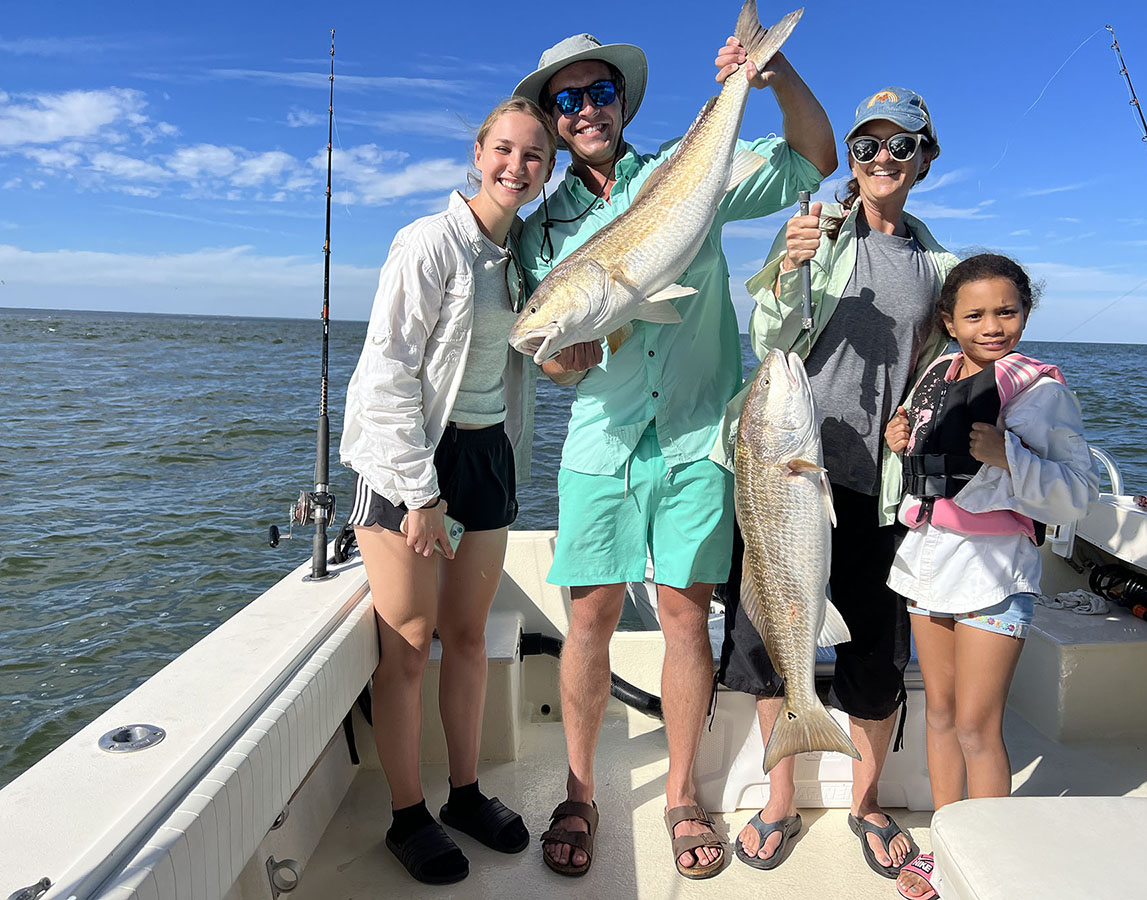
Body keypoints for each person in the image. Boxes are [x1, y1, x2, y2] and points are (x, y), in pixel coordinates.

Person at [512, 25, 836, 880]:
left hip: (700, 436)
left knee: (687, 615)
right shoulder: (540, 229)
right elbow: (545, 345)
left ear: (622, 101)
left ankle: (682, 794)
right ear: (552, 117)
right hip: (603, 441)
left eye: (600, 92)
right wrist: (560, 358)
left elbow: (813, 158)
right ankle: (580, 791)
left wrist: (771, 74)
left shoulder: (689, 172)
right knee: (589, 619)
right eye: (568, 99)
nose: (587, 109)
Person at [714, 87, 958, 875]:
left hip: (877, 488)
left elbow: (945, 371)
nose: (880, 159)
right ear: (850, 159)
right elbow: (770, 339)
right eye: (866, 146)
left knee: (875, 659)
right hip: (782, 478)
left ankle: (864, 800)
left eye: (900, 146)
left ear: (925, 159)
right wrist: (790, 269)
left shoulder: (939, 265)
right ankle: (779, 797)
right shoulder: (817, 232)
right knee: (768, 642)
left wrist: (923, 429)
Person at [337, 98, 556, 886]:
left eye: (534, 155)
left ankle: (464, 793)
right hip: (410, 461)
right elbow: (389, 371)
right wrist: (420, 494)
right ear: (477, 151)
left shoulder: (522, 253)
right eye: (504, 149)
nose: (516, 166)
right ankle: (405, 815)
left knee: (468, 635)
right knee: (410, 639)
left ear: (547, 168)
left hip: (488, 455)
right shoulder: (428, 243)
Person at [884, 255, 1096, 899]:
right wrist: (901, 439)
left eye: (1006, 311)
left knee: (979, 725)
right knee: (939, 717)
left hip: (996, 574)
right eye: (974, 314)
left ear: (1025, 314)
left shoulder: (1043, 393)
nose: (992, 326)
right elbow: (926, 463)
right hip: (927, 565)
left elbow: (1076, 495)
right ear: (948, 322)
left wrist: (1010, 456)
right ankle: (946, 845)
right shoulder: (933, 378)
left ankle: (992, 854)